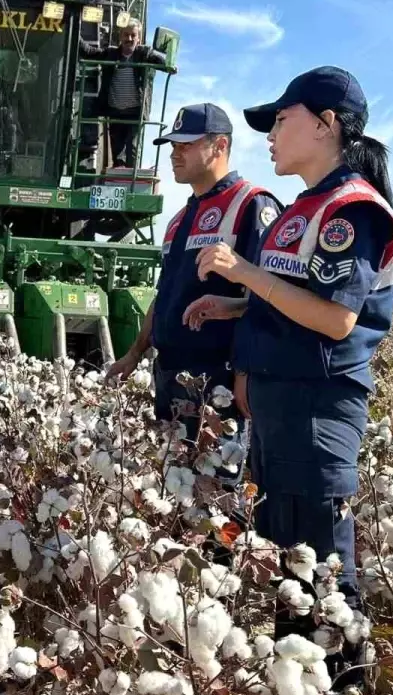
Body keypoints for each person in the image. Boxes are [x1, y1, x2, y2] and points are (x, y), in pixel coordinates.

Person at [189, 66, 393, 682]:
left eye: (281, 120)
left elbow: (336, 320)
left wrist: (244, 275)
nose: (271, 134)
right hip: (284, 409)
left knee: (323, 562)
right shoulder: (303, 209)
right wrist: (233, 305)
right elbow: (291, 301)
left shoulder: (350, 210)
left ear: (326, 124)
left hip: (318, 406)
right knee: (290, 557)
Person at [107, 103, 281, 483]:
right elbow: (165, 293)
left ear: (219, 147)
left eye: (185, 145)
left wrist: (246, 374)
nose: (174, 153)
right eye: (172, 146)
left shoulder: (251, 205)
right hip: (170, 376)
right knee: (174, 487)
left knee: (220, 492)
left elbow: (274, 298)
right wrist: (135, 353)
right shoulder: (177, 220)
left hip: (219, 381)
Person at [79, 19, 166, 169]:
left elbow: (162, 61)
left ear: (138, 38)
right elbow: (89, 52)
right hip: (115, 111)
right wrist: (73, 27)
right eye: (126, 35)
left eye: (133, 35)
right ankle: (118, 179)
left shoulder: (144, 53)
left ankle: (130, 179)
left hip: (135, 112)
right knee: (117, 151)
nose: (129, 39)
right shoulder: (111, 53)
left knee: (132, 149)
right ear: (121, 36)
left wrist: (169, 62)